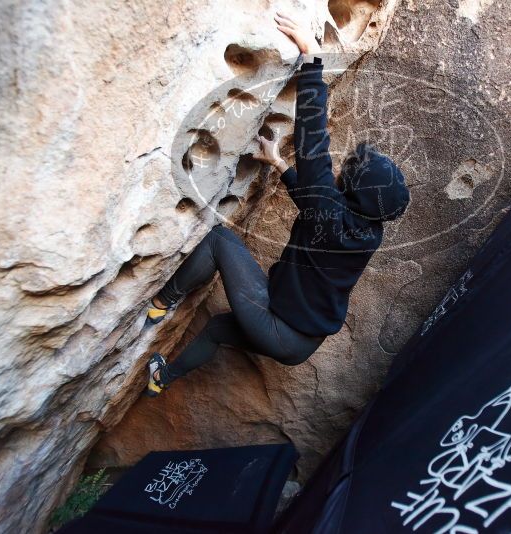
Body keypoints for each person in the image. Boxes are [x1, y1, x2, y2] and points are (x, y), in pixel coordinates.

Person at [144, 12, 410, 397]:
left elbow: (312, 141)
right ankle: (160, 381)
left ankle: (161, 301)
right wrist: (280, 163)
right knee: (219, 329)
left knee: (220, 239)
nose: (340, 172)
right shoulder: (369, 229)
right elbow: (318, 209)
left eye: (347, 173)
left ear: (352, 192)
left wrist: (312, 56)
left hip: (278, 326)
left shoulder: (332, 211)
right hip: (302, 344)